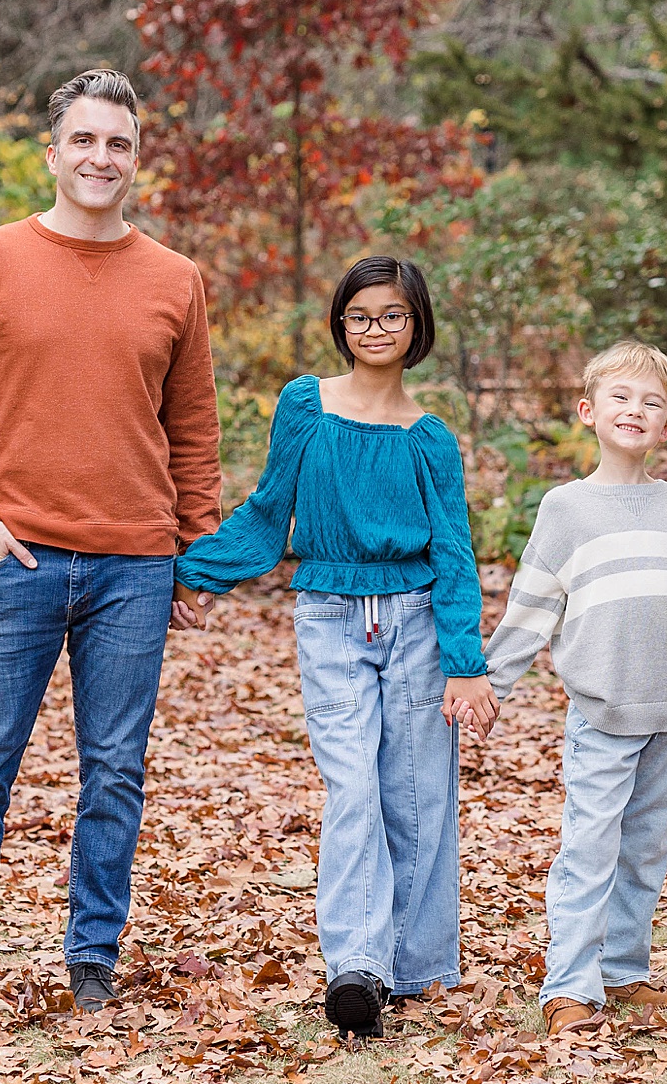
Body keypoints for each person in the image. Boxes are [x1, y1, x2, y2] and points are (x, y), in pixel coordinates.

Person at [0, 67, 221, 1025]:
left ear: (137, 159)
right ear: (52, 153)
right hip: (18, 561)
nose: (101, 157)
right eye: (84, 139)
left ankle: (93, 959)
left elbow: (194, 429)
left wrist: (197, 551)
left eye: (118, 143)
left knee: (115, 770)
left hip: (136, 564)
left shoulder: (175, 279)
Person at [173, 257, 492, 1040]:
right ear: (341, 323)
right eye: (360, 315)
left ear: (416, 324)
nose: (375, 328)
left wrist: (464, 663)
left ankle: (413, 965)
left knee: (415, 795)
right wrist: (196, 571)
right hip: (329, 617)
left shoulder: (430, 439)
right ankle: (357, 966)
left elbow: (453, 552)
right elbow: (269, 508)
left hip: (415, 619)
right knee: (352, 787)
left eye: (392, 315)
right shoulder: (305, 405)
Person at [484, 341, 667, 1036]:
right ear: (588, 411)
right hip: (602, 709)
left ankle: (623, 969)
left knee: (645, 848)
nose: (636, 409)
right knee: (590, 848)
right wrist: (489, 682)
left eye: (652, 402)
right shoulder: (566, 509)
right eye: (621, 397)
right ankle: (569, 984)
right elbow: (532, 605)